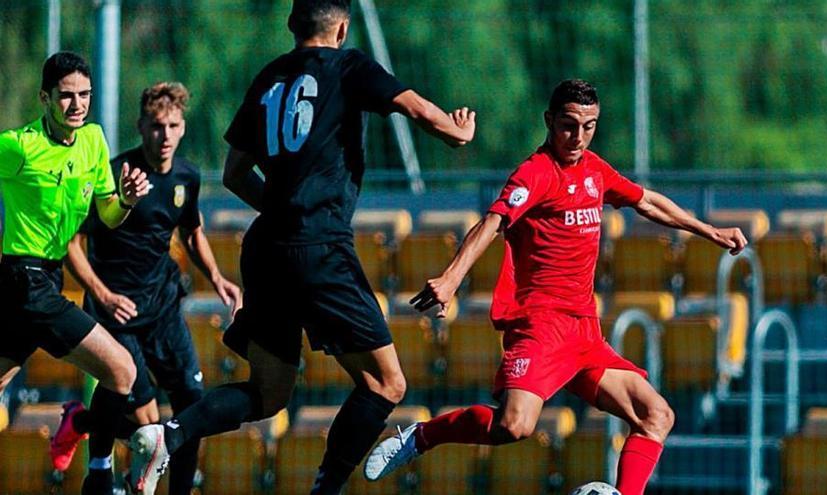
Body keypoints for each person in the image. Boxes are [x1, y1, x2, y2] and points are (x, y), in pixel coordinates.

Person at [127, 1, 476, 494]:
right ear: (343, 27)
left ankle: (171, 434)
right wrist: (456, 129)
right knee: (386, 384)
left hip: (266, 246)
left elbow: (233, 173)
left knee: (267, 394)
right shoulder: (350, 64)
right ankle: (326, 489)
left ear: (294, 25)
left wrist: (283, 207)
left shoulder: (269, 76)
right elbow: (419, 110)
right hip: (320, 248)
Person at [364, 79, 748, 495]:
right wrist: (452, 278)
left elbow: (647, 201)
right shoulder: (536, 173)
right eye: (568, 125)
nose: (578, 137)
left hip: (583, 331)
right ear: (549, 121)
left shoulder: (595, 171)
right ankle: (420, 437)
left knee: (656, 415)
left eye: (589, 126)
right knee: (514, 425)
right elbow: (493, 221)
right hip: (540, 326)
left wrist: (709, 230)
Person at [49, 81, 243, 495]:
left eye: (173, 125)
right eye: (157, 126)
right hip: (117, 315)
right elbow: (72, 244)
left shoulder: (187, 176)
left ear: (184, 128)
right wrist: (102, 295)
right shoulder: (114, 176)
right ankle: (83, 423)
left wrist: (218, 278)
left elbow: (192, 232)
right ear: (141, 127)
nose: (166, 135)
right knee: (149, 428)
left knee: (190, 409)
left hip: (164, 310)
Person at [0, 51, 151, 494]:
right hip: (23, 280)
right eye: (66, 96)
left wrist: (125, 199)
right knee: (122, 371)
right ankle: (100, 475)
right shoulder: (19, 146)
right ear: (45, 98)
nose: (77, 105)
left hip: (43, 279)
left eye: (85, 95)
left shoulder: (94, 140)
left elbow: (106, 215)